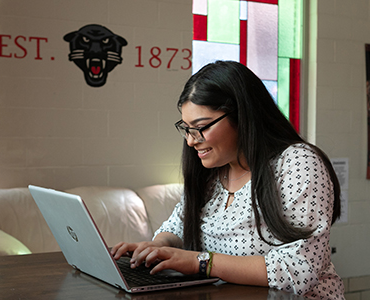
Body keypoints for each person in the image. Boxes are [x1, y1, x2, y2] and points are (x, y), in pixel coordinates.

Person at [111, 61, 344, 299]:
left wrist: (201, 262)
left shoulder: (298, 162)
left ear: (242, 116)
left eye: (200, 127)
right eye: (187, 128)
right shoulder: (213, 171)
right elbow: (179, 225)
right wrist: (158, 246)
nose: (191, 141)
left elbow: (300, 269)